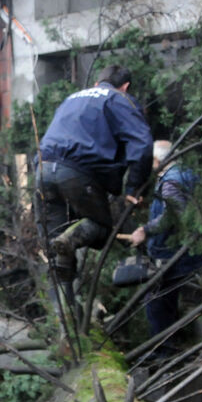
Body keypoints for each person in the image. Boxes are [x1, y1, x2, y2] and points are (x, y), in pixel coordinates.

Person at [36, 65, 154, 288]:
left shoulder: (72, 98)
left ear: (97, 82)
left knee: (56, 254)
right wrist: (134, 189)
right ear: (125, 87)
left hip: (43, 170)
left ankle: (65, 308)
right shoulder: (118, 98)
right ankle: (68, 241)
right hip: (76, 172)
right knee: (101, 228)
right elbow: (143, 144)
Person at [125, 140, 202, 351]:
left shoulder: (171, 181)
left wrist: (144, 230)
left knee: (156, 302)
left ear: (156, 160)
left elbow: (172, 215)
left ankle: (161, 353)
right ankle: (168, 347)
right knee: (168, 302)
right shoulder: (187, 174)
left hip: (170, 254)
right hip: (186, 252)